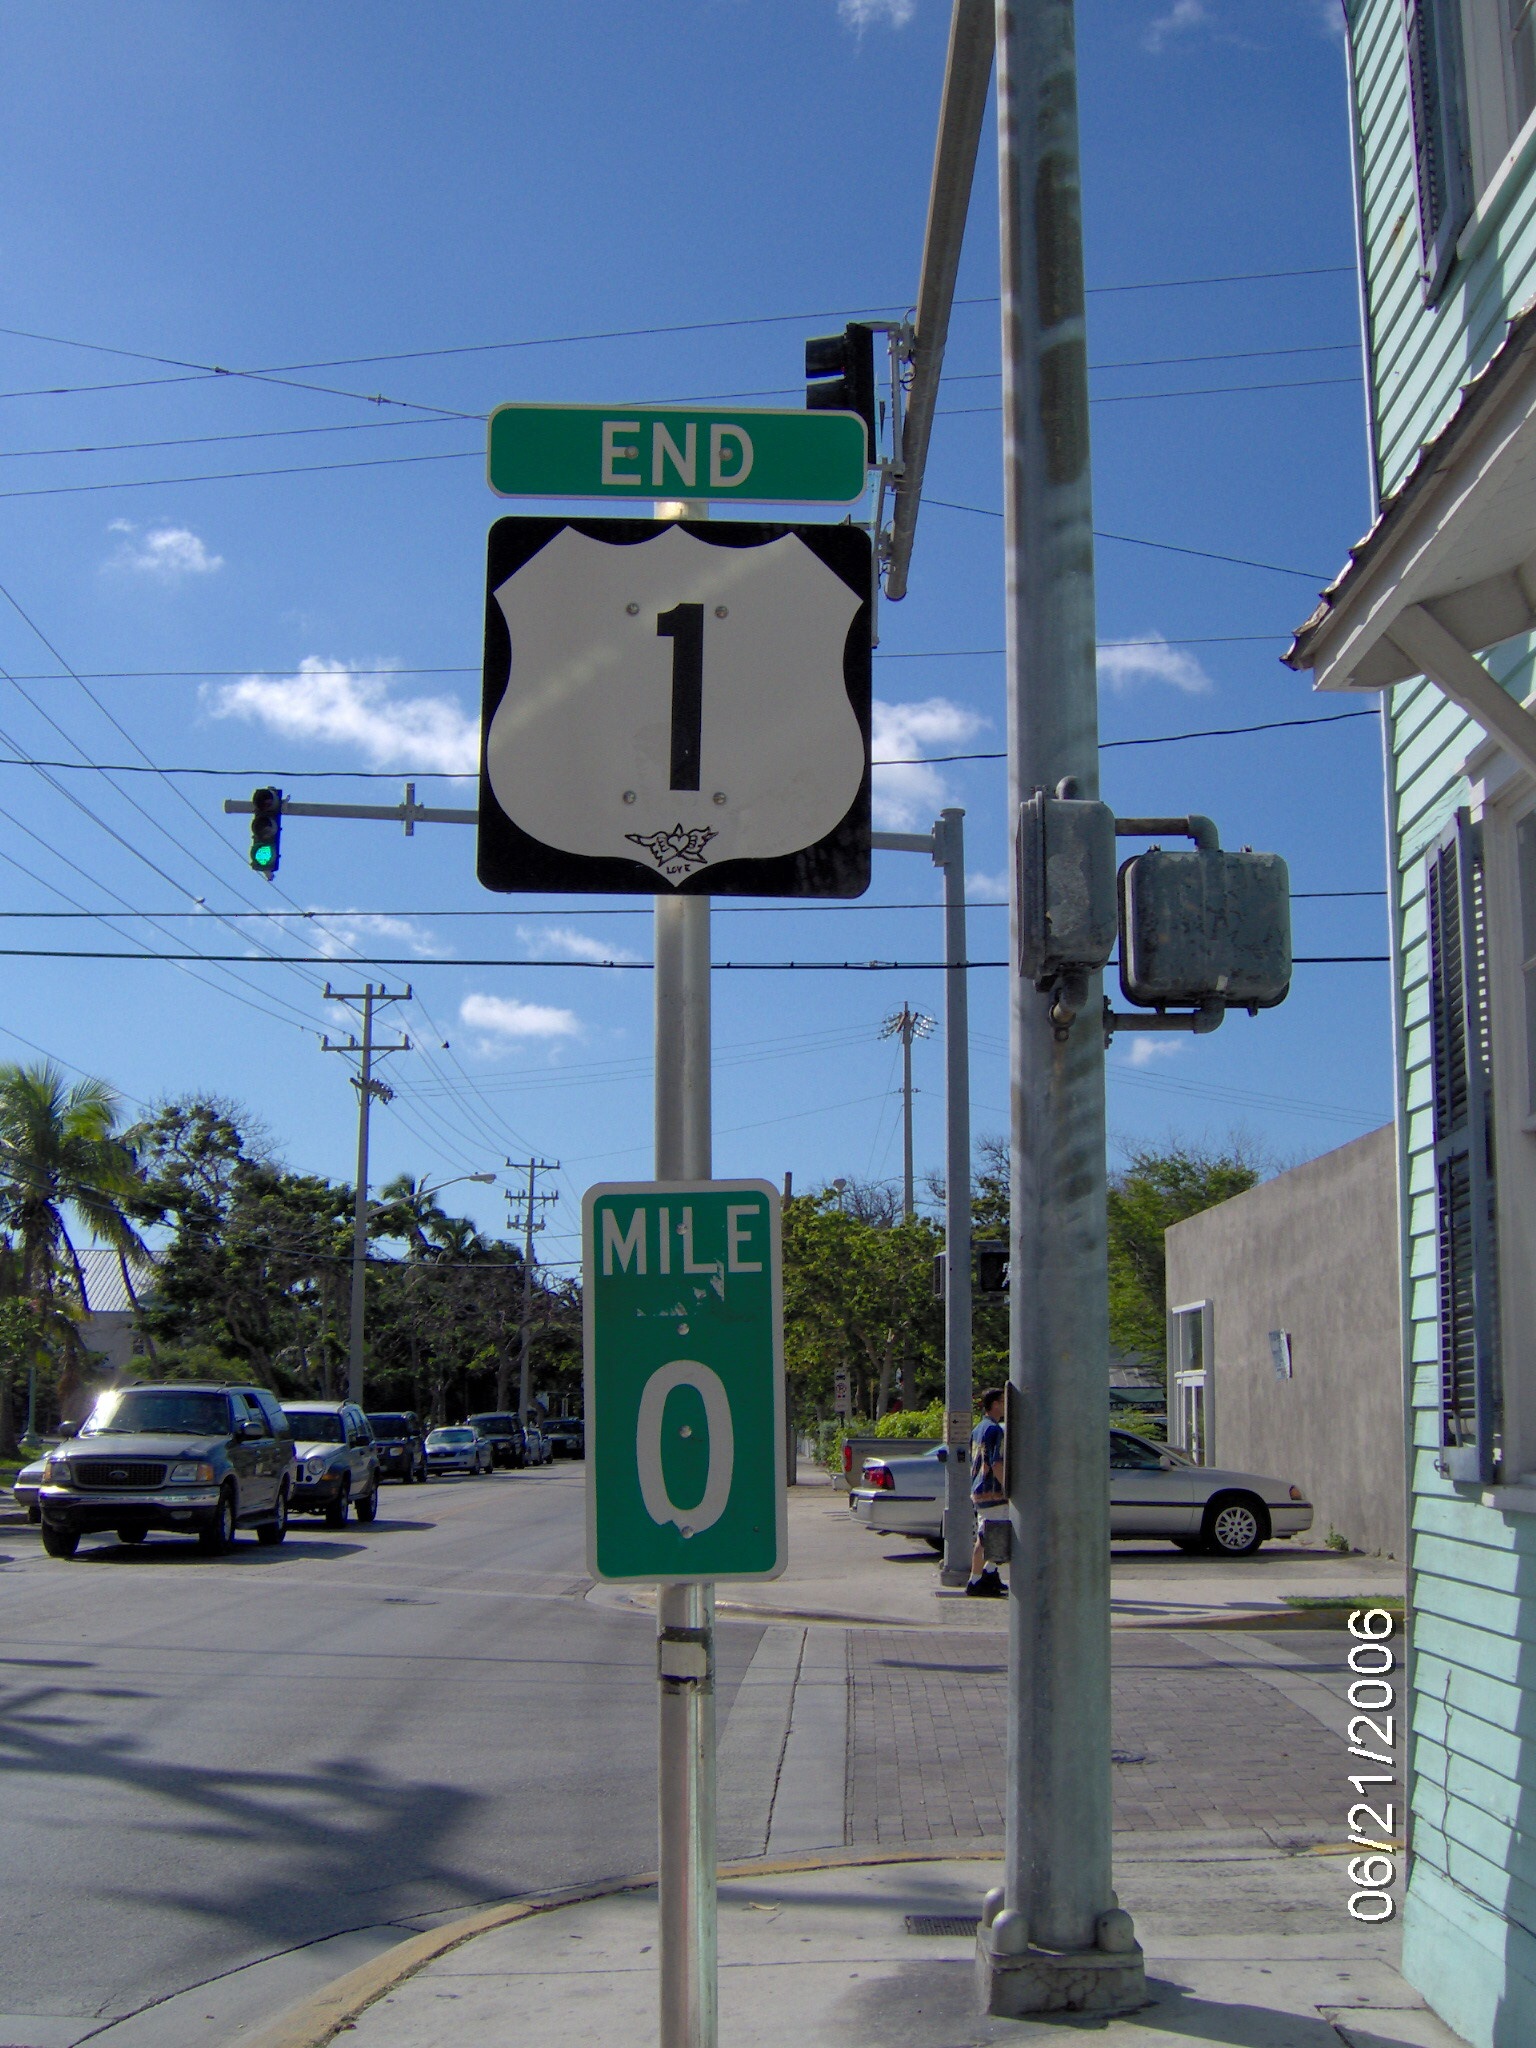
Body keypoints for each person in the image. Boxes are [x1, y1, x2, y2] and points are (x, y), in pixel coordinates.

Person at [967, 1386, 1007, 1597]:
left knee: (993, 1533)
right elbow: (995, 1462)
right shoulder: (994, 1430)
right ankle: (975, 1581)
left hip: (978, 1486)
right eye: (1003, 1401)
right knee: (986, 1537)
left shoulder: (979, 1428)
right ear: (995, 1404)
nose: (1005, 1405)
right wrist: (1006, 1487)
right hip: (991, 1489)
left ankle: (990, 1572)